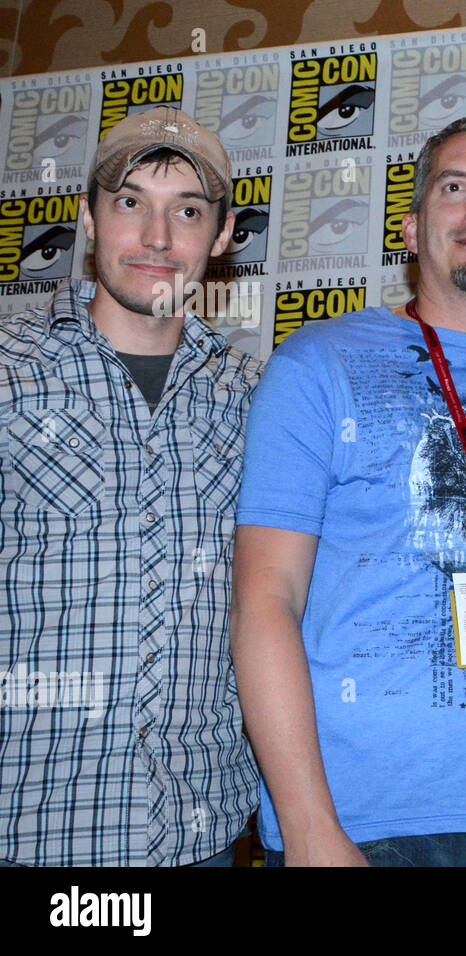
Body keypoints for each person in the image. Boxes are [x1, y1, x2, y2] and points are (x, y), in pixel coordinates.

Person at [230, 115, 466, 866]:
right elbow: (265, 601)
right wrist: (311, 826)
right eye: (456, 187)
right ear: (414, 230)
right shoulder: (319, 365)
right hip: (362, 827)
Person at [0, 107, 257, 865]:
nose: (156, 238)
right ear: (86, 218)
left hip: (201, 832)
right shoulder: (8, 370)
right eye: (129, 202)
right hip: (29, 830)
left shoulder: (259, 398)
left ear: (220, 235)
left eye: (186, 211)